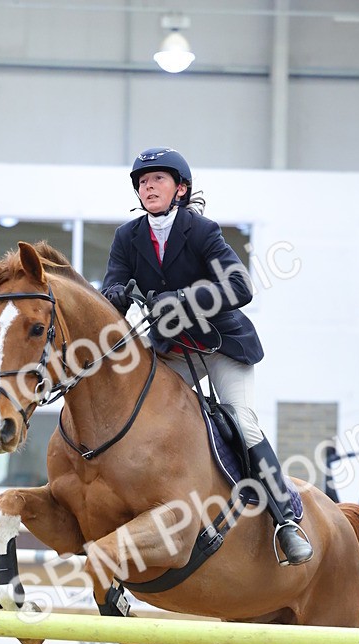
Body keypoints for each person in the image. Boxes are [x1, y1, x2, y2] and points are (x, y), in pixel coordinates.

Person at [101, 147, 312, 567]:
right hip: (172, 350)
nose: (148, 186)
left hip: (220, 347)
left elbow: (240, 286)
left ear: (180, 189)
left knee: (240, 420)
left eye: (157, 179)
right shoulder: (128, 237)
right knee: (134, 406)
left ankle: (286, 521)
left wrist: (181, 299)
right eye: (142, 181)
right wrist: (115, 295)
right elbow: (110, 295)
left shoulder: (201, 231)